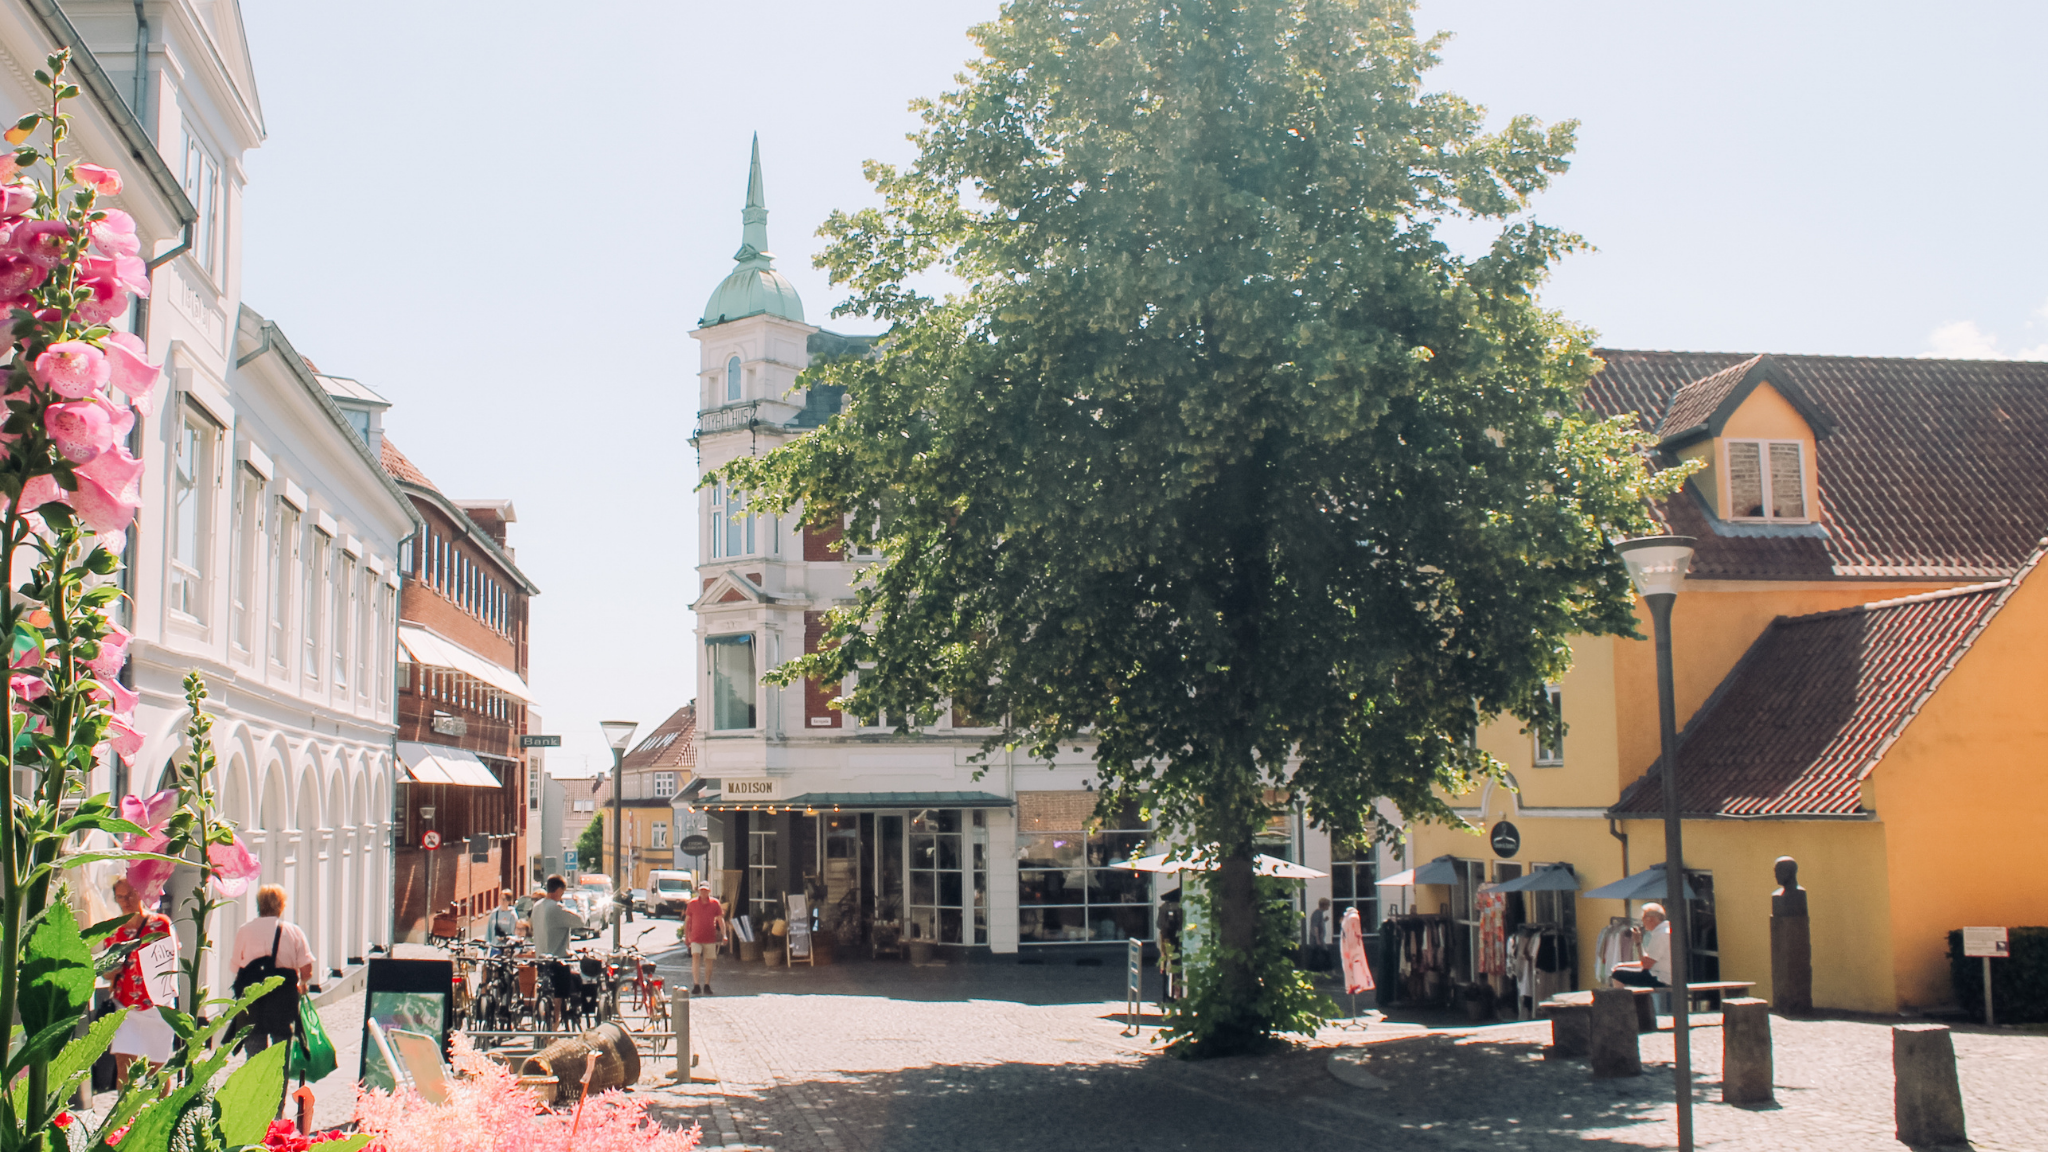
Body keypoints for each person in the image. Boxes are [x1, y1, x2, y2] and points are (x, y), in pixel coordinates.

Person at [104, 877, 177, 1083]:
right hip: (125, 1005)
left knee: (158, 1070)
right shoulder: (113, 930)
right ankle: (126, 1115)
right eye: (120, 897)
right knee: (123, 1066)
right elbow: (106, 973)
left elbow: (170, 961)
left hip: (156, 1006)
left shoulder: (160, 924)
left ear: (141, 894)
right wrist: (114, 968)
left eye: (130, 895)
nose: (125, 901)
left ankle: (161, 1111)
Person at [527, 875, 585, 1026]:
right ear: (558, 890)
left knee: (545, 989)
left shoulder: (537, 906)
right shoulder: (556, 908)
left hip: (541, 958)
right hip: (558, 959)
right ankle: (555, 1024)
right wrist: (581, 905)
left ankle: (542, 1019)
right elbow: (580, 921)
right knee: (560, 993)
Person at [1609, 902, 1671, 988]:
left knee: (1617, 974)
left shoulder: (1660, 935)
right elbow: (1648, 961)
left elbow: (1646, 965)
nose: (1642, 922)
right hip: (1662, 974)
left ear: (1650, 919)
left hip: (1662, 978)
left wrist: (1638, 943)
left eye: (1643, 918)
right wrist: (1622, 965)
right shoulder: (1665, 931)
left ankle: (1621, 1000)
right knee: (1620, 970)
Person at [684, 883, 726, 995]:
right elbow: (687, 921)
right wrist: (686, 936)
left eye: (705, 890)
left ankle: (707, 984)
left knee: (708, 960)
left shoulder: (715, 903)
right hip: (695, 937)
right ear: (698, 891)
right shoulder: (692, 904)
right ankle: (696, 984)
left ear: (709, 891)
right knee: (696, 956)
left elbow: (720, 921)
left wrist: (724, 935)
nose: (703, 892)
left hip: (709, 937)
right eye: (701, 890)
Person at [484, 889, 522, 954]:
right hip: (494, 947)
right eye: (501, 899)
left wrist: (507, 938)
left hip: (506, 949)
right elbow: (489, 931)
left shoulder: (512, 915)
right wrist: (486, 946)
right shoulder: (494, 913)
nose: (502, 901)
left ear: (509, 901)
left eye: (505, 899)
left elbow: (515, 933)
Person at [1307, 897, 1332, 970]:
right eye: (1328, 905)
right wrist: (1317, 939)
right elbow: (1315, 927)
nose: (1329, 907)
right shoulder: (1317, 913)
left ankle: (1315, 969)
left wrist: (1324, 920)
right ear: (1324, 905)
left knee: (1316, 954)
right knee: (1322, 953)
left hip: (1319, 939)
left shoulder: (1319, 913)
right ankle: (1326, 968)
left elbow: (1318, 924)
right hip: (1317, 940)